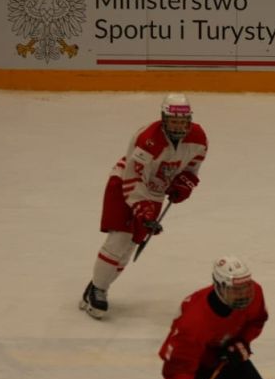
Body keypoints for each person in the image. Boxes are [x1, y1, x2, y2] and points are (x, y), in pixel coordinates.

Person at [79, 93, 207, 319]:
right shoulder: (147, 139)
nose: (179, 126)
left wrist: (184, 183)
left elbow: (192, 167)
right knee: (120, 238)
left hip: (155, 193)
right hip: (125, 184)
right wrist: (143, 209)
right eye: (174, 121)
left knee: (130, 245)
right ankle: (98, 289)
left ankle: (97, 285)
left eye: (183, 121)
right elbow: (133, 177)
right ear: (164, 119)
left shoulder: (198, 137)